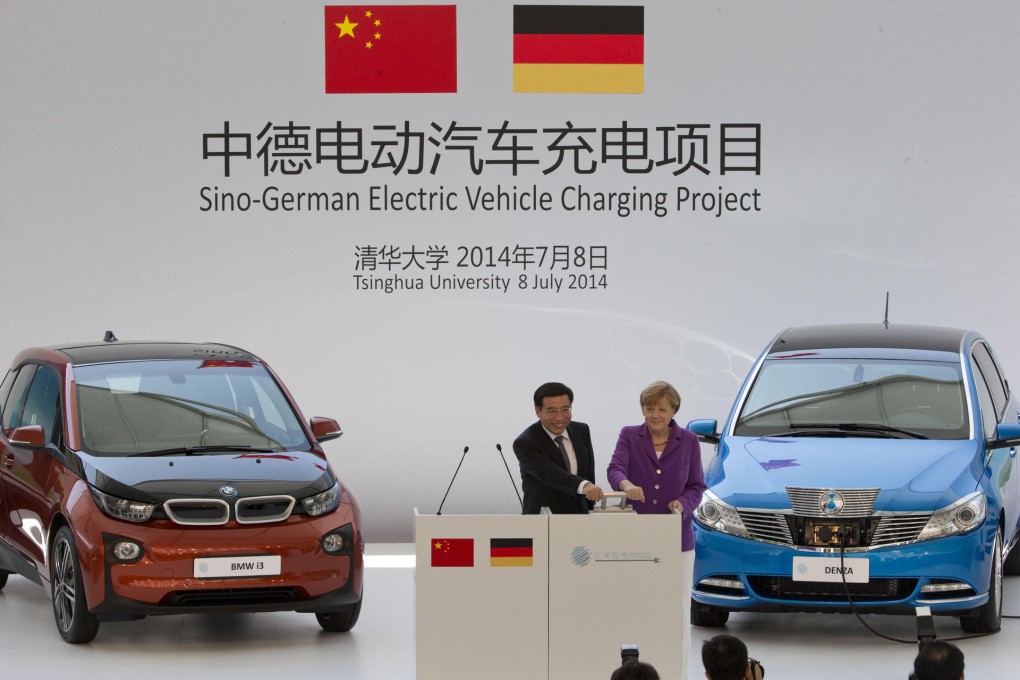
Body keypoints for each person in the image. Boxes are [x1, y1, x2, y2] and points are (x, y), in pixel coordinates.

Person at [607, 380, 707, 680]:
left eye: (662, 409)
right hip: (636, 536)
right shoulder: (629, 435)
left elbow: (696, 486)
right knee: (635, 604)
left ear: (674, 410)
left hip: (677, 540)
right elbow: (615, 469)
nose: (655, 415)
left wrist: (682, 504)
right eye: (649, 408)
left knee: (677, 612)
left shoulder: (689, 440)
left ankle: (680, 674)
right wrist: (626, 484)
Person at [513, 382, 604, 514]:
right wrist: (584, 485)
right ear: (538, 411)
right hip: (543, 518)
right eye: (552, 411)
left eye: (565, 409)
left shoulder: (581, 430)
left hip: (580, 516)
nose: (560, 417)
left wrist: (590, 511)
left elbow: (589, 472)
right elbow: (550, 473)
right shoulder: (525, 442)